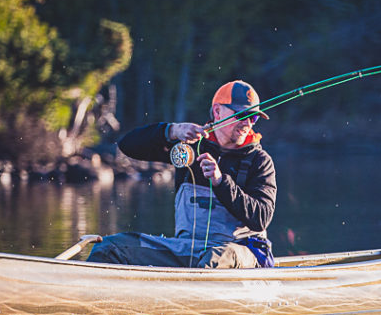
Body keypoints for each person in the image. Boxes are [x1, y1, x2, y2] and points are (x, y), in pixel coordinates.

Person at [87, 80, 276, 268]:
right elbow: (128, 146)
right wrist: (172, 131)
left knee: (214, 258)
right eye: (242, 115)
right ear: (217, 111)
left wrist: (221, 182)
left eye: (253, 118)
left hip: (243, 251)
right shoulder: (189, 147)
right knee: (109, 248)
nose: (247, 123)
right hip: (188, 249)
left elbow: (261, 218)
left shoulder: (259, 161)